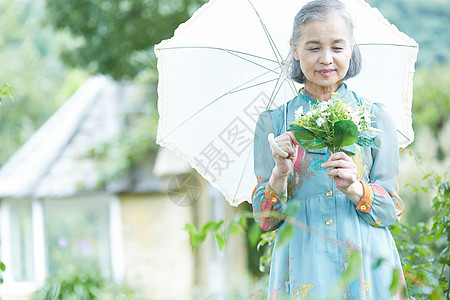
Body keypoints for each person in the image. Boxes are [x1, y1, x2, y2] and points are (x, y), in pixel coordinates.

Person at [251, 0, 405, 299]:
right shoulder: (274, 124)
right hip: (303, 263)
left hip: (366, 261)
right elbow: (265, 220)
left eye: (337, 47)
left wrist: (357, 189)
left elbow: (392, 211)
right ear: (294, 50)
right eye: (313, 47)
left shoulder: (375, 117)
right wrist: (279, 175)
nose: (326, 59)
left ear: (351, 48)